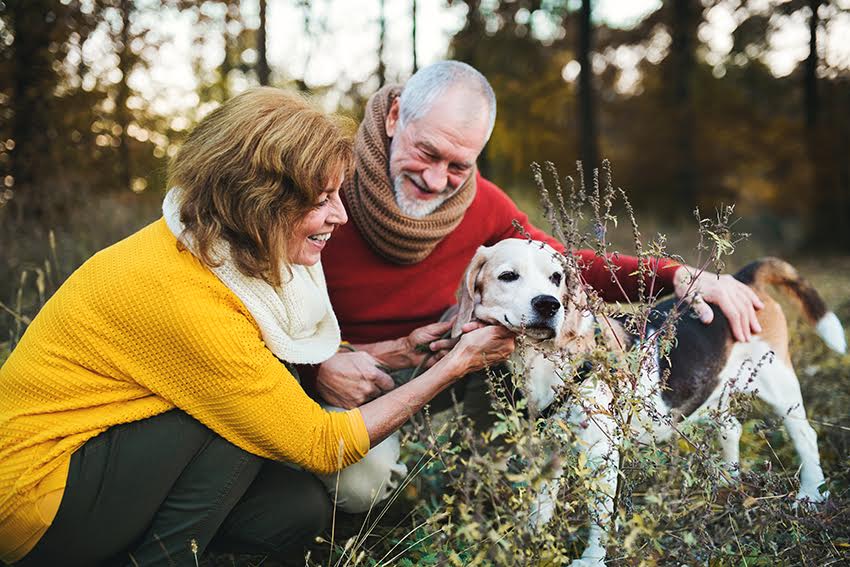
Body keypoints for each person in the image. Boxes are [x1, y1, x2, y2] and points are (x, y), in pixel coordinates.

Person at [0, 87, 515, 566]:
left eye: (339, 193)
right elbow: (320, 441)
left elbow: (274, 350)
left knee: (296, 510)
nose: (340, 214)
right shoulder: (183, 292)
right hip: (37, 498)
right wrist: (456, 365)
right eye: (320, 200)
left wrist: (397, 350)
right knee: (240, 425)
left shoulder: (224, 247)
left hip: (112, 455)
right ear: (257, 199)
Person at [316, 60, 765, 410]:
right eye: (426, 153)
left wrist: (674, 274)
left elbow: (562, 265)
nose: (436, 181)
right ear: (395, 117)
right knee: (357, 489)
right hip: (344, 368)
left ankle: (489, 483)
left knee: (516, 335)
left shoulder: (484, 205)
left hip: (445, 364)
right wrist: (319, 365)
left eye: (458, 166)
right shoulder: (323, 191)